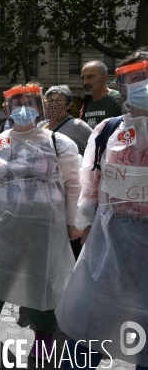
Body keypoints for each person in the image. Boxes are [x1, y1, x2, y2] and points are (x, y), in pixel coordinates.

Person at [0, 83, 83, 358]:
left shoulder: (59, 143)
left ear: (39, 106)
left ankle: (44, 332)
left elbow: (74, 184)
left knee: (43, 277)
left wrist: (74, 222)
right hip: (3, 223)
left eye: (29, 102)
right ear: (7, 109)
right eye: (16, 103)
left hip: (45, 224)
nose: (23, 108)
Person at [56, 48, 148, 370]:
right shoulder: (107, 131)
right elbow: (90, 189)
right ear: (122, 86)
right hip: (105, 259)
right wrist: (84, 229)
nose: (142, 86)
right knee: (81, 345)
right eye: (134, 79)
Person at [38, 85, 92, 259]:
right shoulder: (40, 125)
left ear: (69, 105)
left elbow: (95, 152)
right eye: (50, 101)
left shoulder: (78, 126)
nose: (53, 105)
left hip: (69, 192)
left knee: (71, 247)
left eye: (59, 101)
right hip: (44, 196)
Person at [80, 60, 122, 128]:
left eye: (90, 77)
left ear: (104, 77)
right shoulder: (86, 102)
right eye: (82, 78)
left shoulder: (118, 99)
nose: (85, 82)